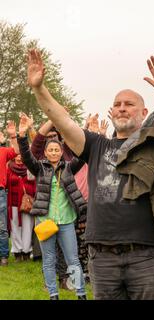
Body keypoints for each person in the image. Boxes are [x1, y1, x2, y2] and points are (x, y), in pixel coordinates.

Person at [27, 49, 154, 299]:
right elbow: (62, 121)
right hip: (102, 255)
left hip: (146, 253)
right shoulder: (96, 145)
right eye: (117, 104)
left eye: (129, 104)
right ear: (111, 111)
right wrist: (40, 89)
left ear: (143, 111)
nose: (122, 108)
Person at [18, 116, 87, 300]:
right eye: (51, 150)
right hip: (45, 221)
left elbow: (82, 154)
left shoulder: (69, 168)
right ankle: (53, 295)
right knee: (49, 260)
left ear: (61, 152)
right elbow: (26, 156)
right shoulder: (39, 168)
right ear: (46, 153)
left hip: (66, 221)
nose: (54, 152)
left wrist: (87, 130)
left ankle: (81, 293)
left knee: (73, 259)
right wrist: (22, 135)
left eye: (57, 149)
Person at [6, 152, 36, 262]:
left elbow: (34, 183)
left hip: (27, 203)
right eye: (17, 154)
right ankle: (17, 252)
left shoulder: (30, 166)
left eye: (21, 154)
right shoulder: (9, 167)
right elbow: (6, 183)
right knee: (15, 228)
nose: (19, 156)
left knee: (28, 227)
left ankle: (26, 251)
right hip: (13, 203)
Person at [0, 121, 20, 266]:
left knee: (1, 227)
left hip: (0, 192)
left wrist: (13, 136)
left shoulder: (4, 151)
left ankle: (4, 257)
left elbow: (17, 151)